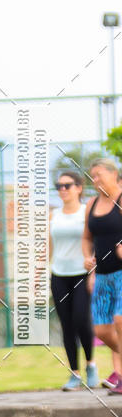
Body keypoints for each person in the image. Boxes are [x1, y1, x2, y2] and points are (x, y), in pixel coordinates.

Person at [50, 171, 96, 390]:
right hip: (59, 275)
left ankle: (91, 365)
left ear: (79, 188)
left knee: (80, 319)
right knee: (66, 325)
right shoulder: (54, 215)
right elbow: (49, 246)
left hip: (81, 275)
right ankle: (74, 374)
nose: (62, 190)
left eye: (67, 185)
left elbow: (94, 241)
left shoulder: (87, 212)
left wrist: (94, 270)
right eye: (59, 186)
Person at [82, 158, 122, 394]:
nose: (95, 180)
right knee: (101, 330)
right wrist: (88, 260)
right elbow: (87, 238)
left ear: (113, 173)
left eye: (99, 175)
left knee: (120, 320)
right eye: (92, 176)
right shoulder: (92, 204)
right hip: (102, 276)